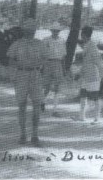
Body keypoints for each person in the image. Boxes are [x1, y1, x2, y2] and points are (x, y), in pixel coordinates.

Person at [7, 18, 47, 147]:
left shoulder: (40, 44)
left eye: (33, 29)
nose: (31, 31)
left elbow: (46, 59)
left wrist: (39, 66)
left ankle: (35, 134)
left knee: (36, 105)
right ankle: (23, 133)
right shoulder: (17, 44)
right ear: (24, 30)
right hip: (21, 74)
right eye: (28, 29)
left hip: (35, 75)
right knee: (22, 105)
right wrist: (20, 64)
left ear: (35, 30)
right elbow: (10, 60)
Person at [74, 26, 103, 124]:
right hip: (85, 75)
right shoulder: (87, 45)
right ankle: (81, 116)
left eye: (82, 34)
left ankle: (97, 118)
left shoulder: (92, 46)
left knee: (94, 96)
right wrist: (79, 74)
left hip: (93, 75)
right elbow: (85, 63)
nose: (81, 36)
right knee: (83, 94)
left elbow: (99, 61)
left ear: (84, 35)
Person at [41, 22, 66, 117]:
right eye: (54, 30)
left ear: (59, 31)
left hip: (58, 63)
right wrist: (42, 66)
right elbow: (42, 54)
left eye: (57, 31)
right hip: (47, 63)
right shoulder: (46, 40)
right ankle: (42, 101)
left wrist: (64, 69)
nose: (56, 32)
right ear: (51, 31)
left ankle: (55, 110)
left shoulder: (62, 41)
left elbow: (63, 56)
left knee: (58, 87)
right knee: (46, 86)